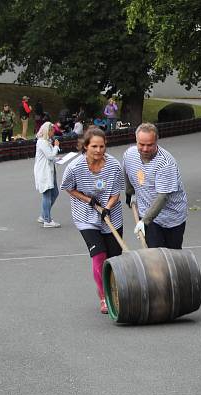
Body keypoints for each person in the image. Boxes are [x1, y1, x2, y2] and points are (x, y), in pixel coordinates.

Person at [61, 127, 125, 314]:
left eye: (102, 146)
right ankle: (104, 297)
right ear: (85, 147)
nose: (98, 150)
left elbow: (116, 194)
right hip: (85, 216)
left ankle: (118, 291)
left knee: (114, 259)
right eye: (94, 146)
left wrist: (107, 207)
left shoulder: (113, 165)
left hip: (111, 214)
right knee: (99, 257)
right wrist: (88, 200)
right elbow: (68, 188)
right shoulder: (75, 167)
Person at [122, 123, 188, 249]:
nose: (145, 149)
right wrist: (129, 193)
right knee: (155, 256)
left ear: (156, 142)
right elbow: (127, 171)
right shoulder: (129, 155)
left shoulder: (165, 164)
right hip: (148, 213)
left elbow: (162, 197)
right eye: (141, 144)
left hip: (171, 218)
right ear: (136, 141)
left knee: (171, 257)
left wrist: (144, 221)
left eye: (150, 145)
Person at [34, 121, 61, 228]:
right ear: (48, 131)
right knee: (47, 194)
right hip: (44, 171)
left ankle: (43, 215)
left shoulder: (46, 141)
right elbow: (49, 156)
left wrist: (57, 158)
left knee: (54, 193)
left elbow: (49, 157)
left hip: (50, 170)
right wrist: (56, 146)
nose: (53, 132)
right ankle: (47, 220)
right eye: (52, 130)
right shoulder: (42, 142)